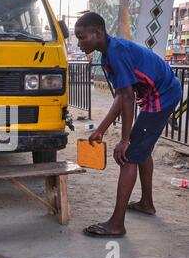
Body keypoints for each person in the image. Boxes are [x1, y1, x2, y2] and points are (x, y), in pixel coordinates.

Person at [74, 12, 182, 238]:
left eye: (82, 37)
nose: (79, 42)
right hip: (157, 95)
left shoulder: (116, 52)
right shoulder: (107, 56)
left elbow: (128, 98)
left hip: (163, 95)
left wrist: (125, 140)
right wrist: (101, 130)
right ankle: (146, 204)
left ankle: (116, 224)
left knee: (129, 155)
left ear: (98, 33)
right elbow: (121, 97)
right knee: (141, 150)